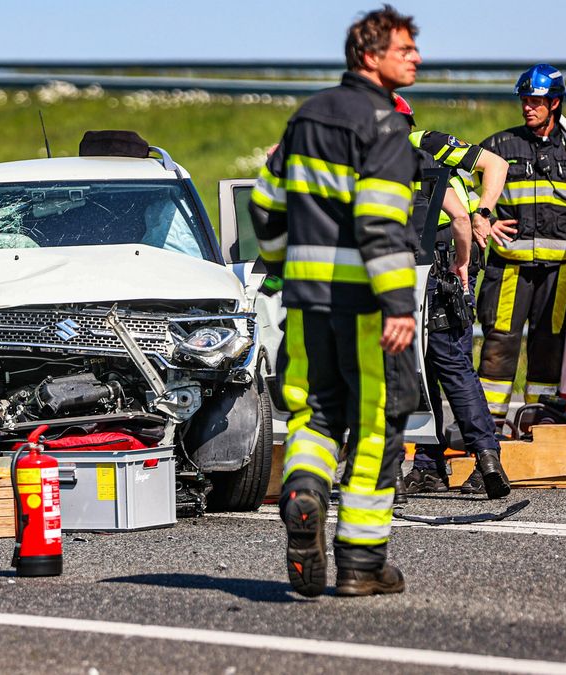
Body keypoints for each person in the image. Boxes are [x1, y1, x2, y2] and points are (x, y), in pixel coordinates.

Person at [249, 5, 421, 598]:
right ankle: (361, 564)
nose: (415, 58)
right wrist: (399, 303)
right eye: (404, 50)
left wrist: (278, 263)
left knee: (314, 417)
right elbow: (379, 223)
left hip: (305, 306)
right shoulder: (386, 126)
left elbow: (265, 208)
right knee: (377, 427)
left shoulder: (305, 117)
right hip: (369, 312)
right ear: (369, 55)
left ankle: (302, 493)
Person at [393, 94, 514, 499]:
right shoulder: (404, 156)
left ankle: (473, 459)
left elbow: (494, 166)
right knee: (437, 361)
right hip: (444, 261)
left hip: (438, 260)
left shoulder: (421, 147)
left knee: (430, 361)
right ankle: (438, 464)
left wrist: (484, 213)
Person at [477, 64, 566, 418]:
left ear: (554, 103)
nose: (527, 107)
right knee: (499, 344)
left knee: (549, 347)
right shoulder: (499, 145)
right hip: (509, 267)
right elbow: (456, 184)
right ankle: (487, 429)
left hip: (560, 271)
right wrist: (483, 220)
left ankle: (538, 422)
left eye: (535, 100)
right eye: (524, 100)